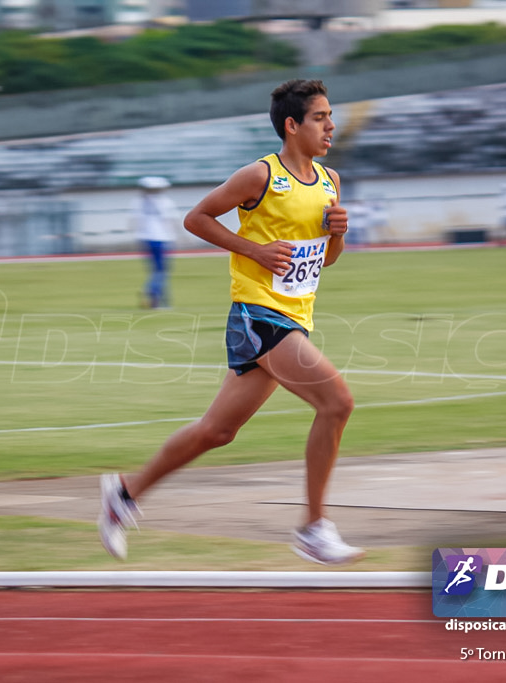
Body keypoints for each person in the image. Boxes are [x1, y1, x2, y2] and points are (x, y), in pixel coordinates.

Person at [98, 79, 363, 566]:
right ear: (292, 125)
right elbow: (196, 218)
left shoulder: (330, 182)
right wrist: (254, 250)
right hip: (258, 313)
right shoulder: (260, 176)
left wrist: (339, 237)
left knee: (217, 431)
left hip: (294, 316)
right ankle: (313, 528)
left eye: (330, 116)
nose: (331, 125)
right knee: (337, 402)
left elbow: (325, 261)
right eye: (321, 117)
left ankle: (124, 493)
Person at [132, 175, 179, 308]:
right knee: (161, 271)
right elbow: (171, 220)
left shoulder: (138, 202)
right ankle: (153, 293)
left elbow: (135, 221)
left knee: (155, 270)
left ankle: (159, 298)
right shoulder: (165, 201)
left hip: (146, 239)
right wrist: (182, 237)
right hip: (162, 238)